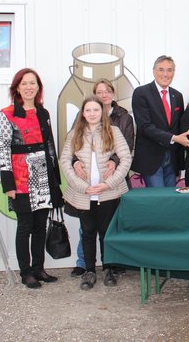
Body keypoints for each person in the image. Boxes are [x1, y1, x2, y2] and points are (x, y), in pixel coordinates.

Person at [0, 68, 62, 289]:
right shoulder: (7, 114)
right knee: (25, 226)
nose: (28, 87)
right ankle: (26, 272)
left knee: (40, 226)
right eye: (24, 83)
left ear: (38, 88)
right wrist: (8, 184)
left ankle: (38, 268)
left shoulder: (43, 113)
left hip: (44, 176)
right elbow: (3, 149)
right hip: (21, 178)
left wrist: (56, 181)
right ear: (17, 88)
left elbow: (50, 147)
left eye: (32, 83)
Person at [60, 96, 132, 290]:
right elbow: (65, 161)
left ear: (102, 112)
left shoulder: (113, 131)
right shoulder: (75, 133)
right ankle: (89, 271)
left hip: (108, 193)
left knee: (106, 232)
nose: (92, 114)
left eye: (96, 110)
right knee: (88, 233)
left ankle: (108, 268)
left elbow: (125, 159)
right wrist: (81, 186)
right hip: (83, 195)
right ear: (83, 113)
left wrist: (108, 184)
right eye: (88, 110)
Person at [131, 55, 189, 187]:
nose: (165, 74)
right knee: (158, 202)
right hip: (151, 159)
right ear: (154, 71)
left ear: (174, 73)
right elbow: (145, 126)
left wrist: (179, 162)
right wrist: (174, 138)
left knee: (170, 200)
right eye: (161, 70)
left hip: (172, 160)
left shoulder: (177, 96)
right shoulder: (141, 93)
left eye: (169, 70)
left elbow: (178, 127)